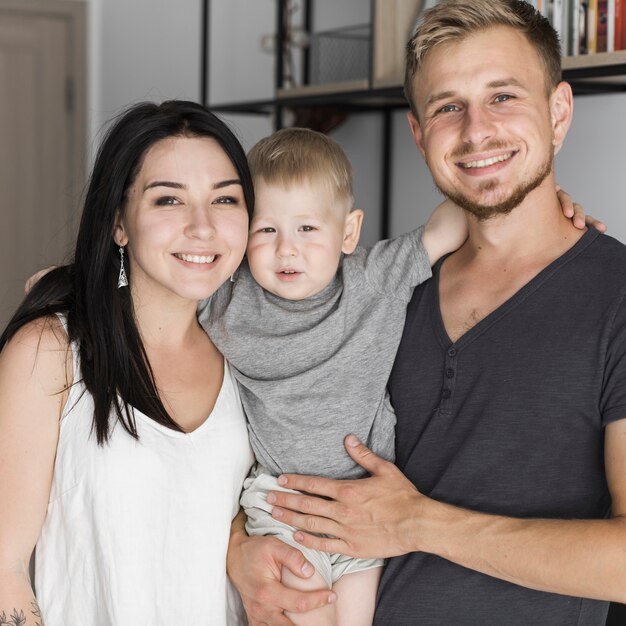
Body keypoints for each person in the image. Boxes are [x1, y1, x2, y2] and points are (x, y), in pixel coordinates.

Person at [227, 1, 626, 625]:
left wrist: (420, 524)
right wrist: (238, 551)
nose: (476, 131)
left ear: (558, 112)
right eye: (447, 106)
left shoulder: (617, 297)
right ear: (419, 135)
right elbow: (249, 433)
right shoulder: (376, 290)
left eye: (503, 96)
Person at [199, 126, 468, 626]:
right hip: (283, 509)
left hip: (368, 510)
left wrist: (535, 201)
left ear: (348, 232)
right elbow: (145, 285)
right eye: (266, 230)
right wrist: (72, 287)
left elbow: (448, 226)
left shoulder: (372, 278)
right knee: (305, 613)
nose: (287, 250)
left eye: (307, 229)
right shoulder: (227, 300)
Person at [0, 100, 256, 625]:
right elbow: (3, 568)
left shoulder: (252, 357)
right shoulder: (50, 352)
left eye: (225, 199)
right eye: (169, 200)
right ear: (119, 222)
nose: (203, 227)